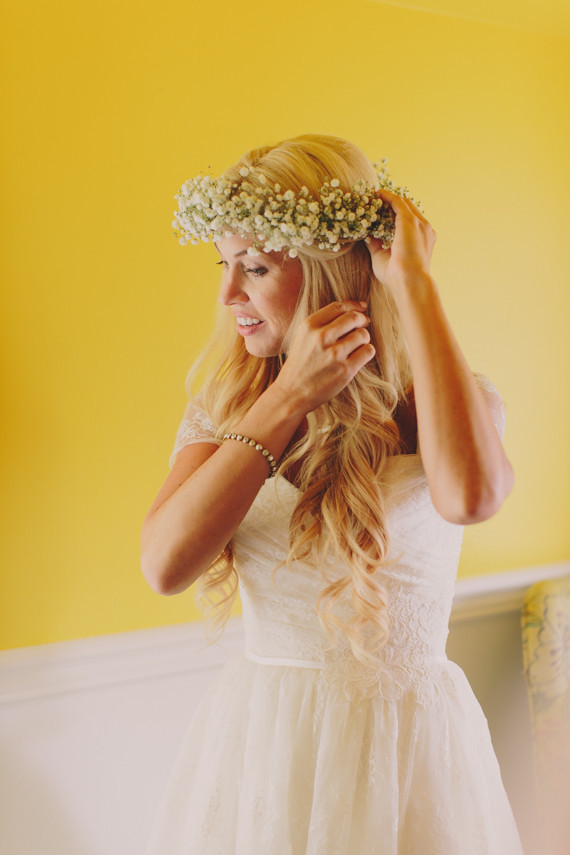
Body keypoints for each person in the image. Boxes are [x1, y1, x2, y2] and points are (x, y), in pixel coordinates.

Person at [141, 134, 523, 854]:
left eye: (254, 267)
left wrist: (413, 283)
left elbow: (471, 497)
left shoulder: (447, 400)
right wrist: (287, 396)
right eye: (225, 265)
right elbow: (164, 565)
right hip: (270, 749)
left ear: (329, 271)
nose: (228, 294)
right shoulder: (225, 411)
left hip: (414, 753)